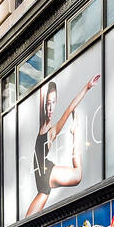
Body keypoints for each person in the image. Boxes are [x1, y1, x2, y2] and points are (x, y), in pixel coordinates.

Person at [25, 75, 101, 218]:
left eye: (53, 103)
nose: (50, 108)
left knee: (78, 175)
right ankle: (75, 130)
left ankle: (75, 131)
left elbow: (70, 107)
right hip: (42, 183)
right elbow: (42, 93)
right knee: (27, 225)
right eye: (48, 103)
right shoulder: (43, 125)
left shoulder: (52, 131)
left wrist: (87, 86)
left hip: (47, 174)